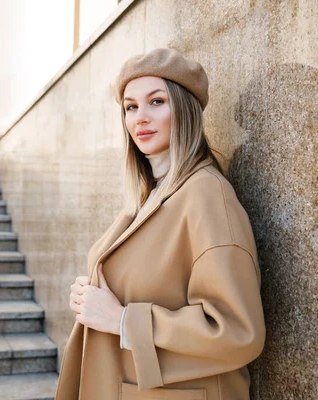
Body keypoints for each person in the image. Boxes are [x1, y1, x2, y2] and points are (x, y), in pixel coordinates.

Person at [54, 48, 265, 400]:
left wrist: (121, 319)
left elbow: (237, 331)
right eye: (131, 107)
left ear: (183, 110)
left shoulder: (206, 196)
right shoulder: (149, 195)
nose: (140, 118)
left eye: (156, 102)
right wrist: (90, 293)